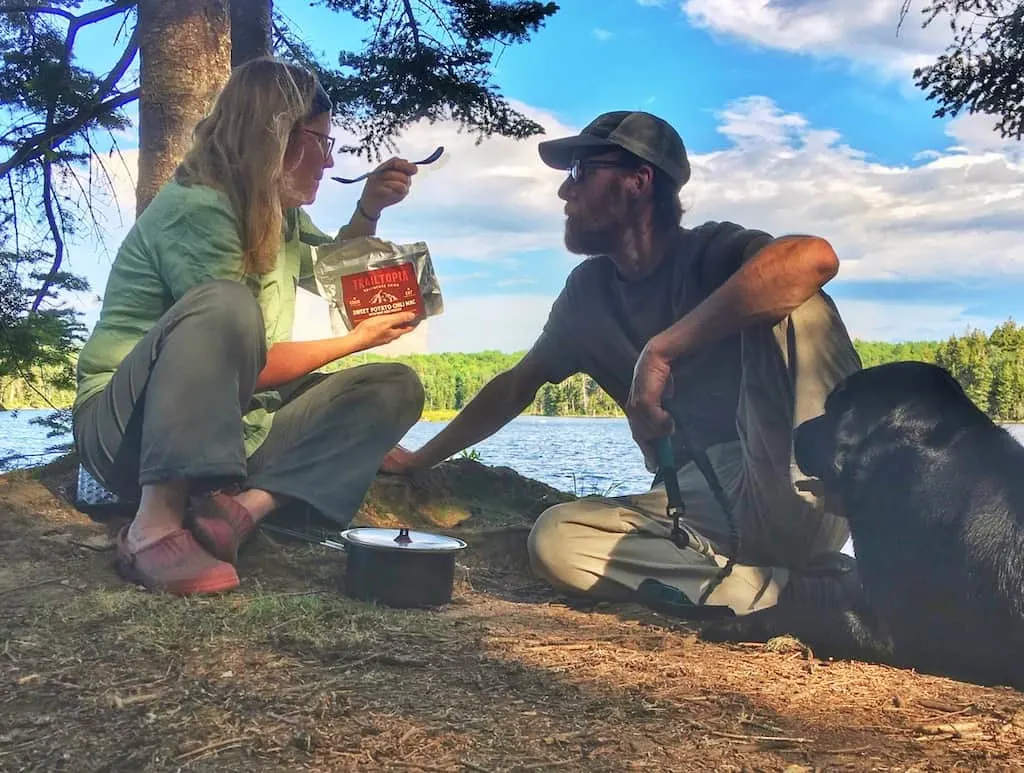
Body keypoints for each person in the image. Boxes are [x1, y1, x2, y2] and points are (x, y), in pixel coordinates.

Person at [383, 111, 862, 615]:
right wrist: (417, 460)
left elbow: (815, 258)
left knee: (794, 298)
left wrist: (663, 349)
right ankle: (784, 592)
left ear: (638, 181)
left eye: (580, 173)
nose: (564, 194)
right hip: (695, 502)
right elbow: (515, 386)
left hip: (803, 481)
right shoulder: (588, 294)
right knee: (557, 540)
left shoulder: (713, 252)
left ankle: (815, 548)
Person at [73, 57, 425, 596]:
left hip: (231, 433)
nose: (328, 162)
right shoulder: (199, 208)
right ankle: (153, 526)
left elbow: (330, 267)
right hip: (127, 433)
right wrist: (355, 340)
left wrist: (370, 207)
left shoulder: (274, 208)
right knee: (225, 304)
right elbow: (244, 363)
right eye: (321, 142)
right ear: (278, 134)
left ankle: (243, 510)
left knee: (393, 385)